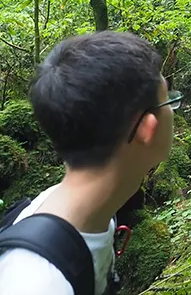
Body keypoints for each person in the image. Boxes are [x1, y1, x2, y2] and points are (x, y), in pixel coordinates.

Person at [0, 32, 179, 295]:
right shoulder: (38, 282)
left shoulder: (92, 217)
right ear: (146, 128)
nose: (173, 112)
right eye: (169, 101)